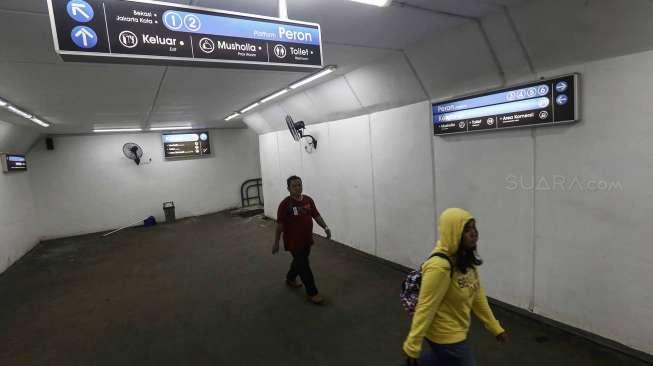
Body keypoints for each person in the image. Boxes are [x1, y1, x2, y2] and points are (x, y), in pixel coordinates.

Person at [403, 208, 508, 366]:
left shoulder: (465, 258)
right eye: (466, 230)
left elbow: (477, 294)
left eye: (474, 228)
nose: (474, 233)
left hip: (458, 329)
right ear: (453, 232)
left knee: (439, 360)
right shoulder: (440, 267)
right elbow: (425, 307)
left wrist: (494, 326)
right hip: (445, 335)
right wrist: (412, 345)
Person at [272, 175, 331, 305]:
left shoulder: (308, 200)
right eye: (294, 186)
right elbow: (280, 225)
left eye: (299, 184)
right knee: (304, 266)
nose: (298, 187)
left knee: (300, 261)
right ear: (288, 188)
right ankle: (312, 292)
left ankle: (290, 278)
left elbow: (316, 215)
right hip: (293, 241)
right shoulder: (285, 204)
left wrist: (325, 227)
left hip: (306, 239)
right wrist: (276, 242)